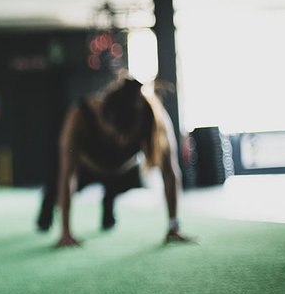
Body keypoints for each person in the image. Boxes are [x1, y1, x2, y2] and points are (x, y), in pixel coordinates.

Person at [38, 76, 192, 247]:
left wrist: (174, 226)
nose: (121, 140)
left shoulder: (153, 119)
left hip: (123, 172)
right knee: (53, 193)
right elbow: (68, 175)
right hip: (86, 169)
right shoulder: (80, 115)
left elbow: (170, 173)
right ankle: (48, 202)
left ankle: (108, 199)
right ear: (104, 117)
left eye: (126, 136)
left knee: (124, 188)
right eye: (115, 134)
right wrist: (66, 232)